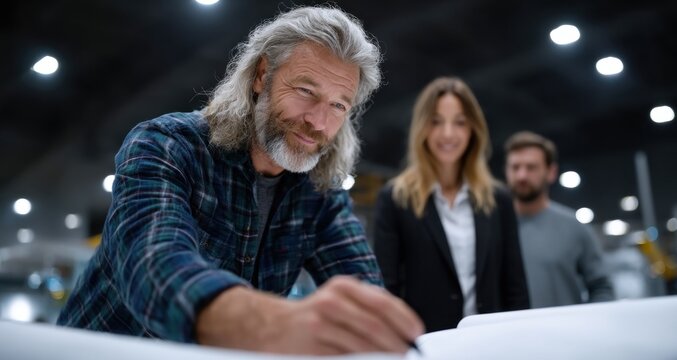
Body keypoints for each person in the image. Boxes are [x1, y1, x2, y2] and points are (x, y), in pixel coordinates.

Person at [57, 6, 423, 355]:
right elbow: (152, 263)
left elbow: (363, 286)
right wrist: (271, 324)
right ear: (262, 75)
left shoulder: (320, 191)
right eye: (306, 91)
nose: (318, 121)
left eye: (338, 105)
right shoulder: (166, 145)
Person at [373, 76, 530, 332]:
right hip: (427, 345)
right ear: (422, 127)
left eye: (459, 122)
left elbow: (515, 287)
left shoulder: (497, 199)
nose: (448, 133)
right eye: (436, 122)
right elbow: (386, 288)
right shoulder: (395, 198)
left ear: (473, 129)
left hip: (490, 343)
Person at [504, 131, 615, 308]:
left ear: (551, 172)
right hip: (507, 334)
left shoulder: (574, 228)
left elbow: (601, 288)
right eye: (515, 167)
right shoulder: (495, 229)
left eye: (531, 167)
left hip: (565, 334)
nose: (521, 176)